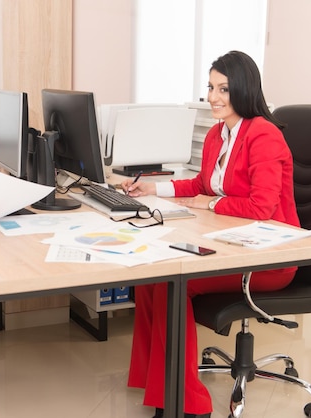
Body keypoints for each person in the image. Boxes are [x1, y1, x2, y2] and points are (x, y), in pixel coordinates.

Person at [121, 51, 300, 418]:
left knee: (174, 281)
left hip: (269, 256)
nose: (214, 97)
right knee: (149, 277)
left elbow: (261, 206)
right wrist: (155, 190)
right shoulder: (219, 134)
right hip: (233, 241)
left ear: (244, 90)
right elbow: (203, 185)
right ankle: (160, 387)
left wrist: (210, 205)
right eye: (211, 87)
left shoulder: (264, 134)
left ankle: (189, 404)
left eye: (224, 88)